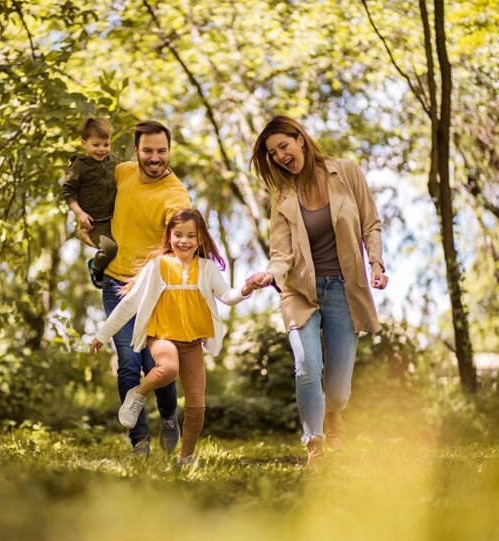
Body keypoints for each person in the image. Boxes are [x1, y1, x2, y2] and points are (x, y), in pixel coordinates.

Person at [248, 114, 389, 468]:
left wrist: (376, 264)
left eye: (283, 146)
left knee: (338, 387)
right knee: (307, 366)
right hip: (299, 291)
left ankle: (334, 412)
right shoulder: (282, 196)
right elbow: (281, 253)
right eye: (273, 153)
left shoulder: (346, 172)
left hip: (344, 288)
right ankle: (314, 444)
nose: (280, 156)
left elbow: (370, 224)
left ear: (300, 139)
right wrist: (268, 275)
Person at [91, 209, 262, 464]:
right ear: (169, 236)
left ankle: (186, 458)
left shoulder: (207, 268)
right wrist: (102, 335)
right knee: (168, 369)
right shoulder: (158, 265)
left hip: (192, 343)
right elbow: (130, 304)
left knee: (196, 406)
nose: (184, 241)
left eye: (191, 235)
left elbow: (227, 296)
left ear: (200, 238)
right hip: (162, 337)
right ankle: (137, 394)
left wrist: (247, 288)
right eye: (178, 234)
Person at [99, 121, 191, 458]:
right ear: (136, 151)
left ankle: (168, 417)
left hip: (155, 290)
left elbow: (182, 226)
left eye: (161, 151)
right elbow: (92, 182)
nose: (155, 158)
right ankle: (139, 440)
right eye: (148, 151)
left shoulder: (175, 193)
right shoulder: (122, 172)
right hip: (116, 284)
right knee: (127, 363)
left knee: (157, 362)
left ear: (169, 151)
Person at [62, 117, 120, 288]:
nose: (102, 149)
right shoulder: (80, 167)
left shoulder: (113, 160)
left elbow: (127, 172)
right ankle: (95, 267)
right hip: (94, 222)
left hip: (114, 216)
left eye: (106, 144)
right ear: (84, 143)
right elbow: (67, 191)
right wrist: (79, 213)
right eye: (96, 145)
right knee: (110, 249)